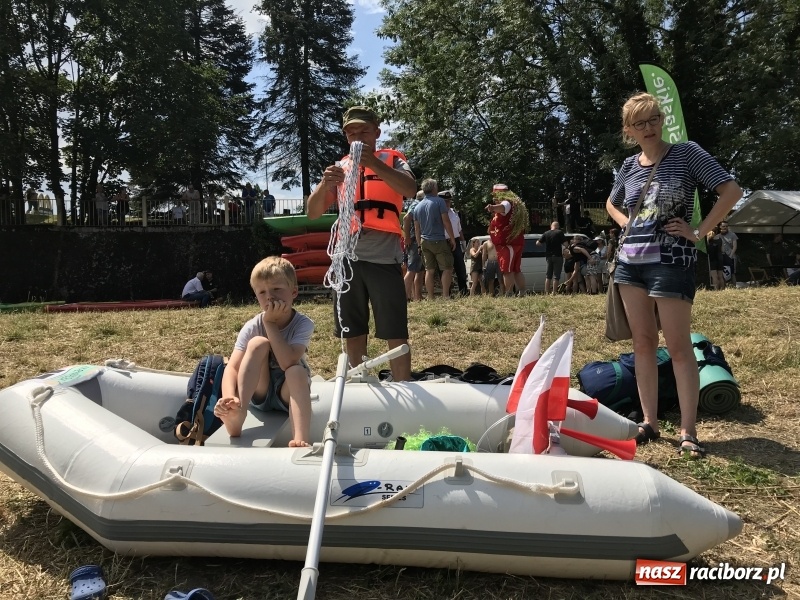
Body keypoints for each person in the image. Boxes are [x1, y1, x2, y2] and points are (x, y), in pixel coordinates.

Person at [605, 91, 742, 459]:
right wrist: (625, 223)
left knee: (679, 347)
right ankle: (649, 422)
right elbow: (611, 202)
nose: (648, 127)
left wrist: (699, 232)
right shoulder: (629, 165)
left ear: (662, 120)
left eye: (653, 119)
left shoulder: (686, 153)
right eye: (639, 123)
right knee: (643, 343)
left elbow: (731, 191)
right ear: (629, 130)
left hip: (671, 261)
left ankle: (688, 430)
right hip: (630, 264)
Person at [307, 105, 416, 381]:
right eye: (351, 133)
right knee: (352, 330)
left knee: (394, 329)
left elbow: (410, 189)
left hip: (384, 257)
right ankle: (357, 382)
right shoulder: (341, 168)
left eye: (364, 131)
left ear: (377, 132)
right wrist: (324, 185)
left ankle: (403, 382)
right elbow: (313, 212)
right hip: (346, 259)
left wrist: (375, 165)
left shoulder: (392, 160)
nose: (357, 138)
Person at [212, 257, 314, 446]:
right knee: (258, 343)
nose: (270, 297)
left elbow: (287, 362)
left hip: (287, 395)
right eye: (262, 292)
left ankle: (300, 440)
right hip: (259, 391)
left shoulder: (303, 324)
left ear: (294, 292)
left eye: (277, 289)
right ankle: (238, 413)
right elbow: (232, 367)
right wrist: (229, 397)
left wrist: (270, 323)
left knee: (296, 371)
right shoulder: (252, 326)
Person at [415, 179, 456, 300]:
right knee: (447, 268)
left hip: (424, 241)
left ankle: (431, 297)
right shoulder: (439, 202)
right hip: (438, 240)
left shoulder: (418, 206)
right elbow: (446, 221)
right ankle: (445, 295)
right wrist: (452, 238)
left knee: (429, 270)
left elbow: (417, 229)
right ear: (433, 188)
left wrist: (419, 244)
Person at [485, 183, 528, 296]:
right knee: (516, 269)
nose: (494, 198)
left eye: (495, 195)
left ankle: (509, 293)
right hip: (514, 242)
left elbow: (503, 207)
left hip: (508, 244)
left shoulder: (507, 203)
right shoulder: (515, 205)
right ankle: (522, 292)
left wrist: (492, 207)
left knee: (507, 270)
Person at [440, 189, 468, 296]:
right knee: (446, 268)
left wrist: (463, 242)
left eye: (449, 201)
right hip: (444, 241)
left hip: (455, 240)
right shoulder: (438, 213)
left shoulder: (454, 212)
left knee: (460, 267)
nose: (448, 203)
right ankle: (447, 292)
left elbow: (459, 229)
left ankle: (463, 291)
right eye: (445, 201)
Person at [403, 190, 425, 301]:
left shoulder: (416, 204)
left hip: (417, 240)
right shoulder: (416, 204)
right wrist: (407, 237)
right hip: (414, 240)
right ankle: (404, 297)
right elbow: (406, 218)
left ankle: (417, 297)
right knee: (412, 269)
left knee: (419, 270)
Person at [537, 220, 566, 295]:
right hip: (557, 256)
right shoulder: (559, 232)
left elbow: (538, 243)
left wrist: (545, 244)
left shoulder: (546, 233)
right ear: (558, 226)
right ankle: (554, 292)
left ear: (551, 226)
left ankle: (547, 292)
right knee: (556, 275)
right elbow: (565, 244)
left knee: (548, 275)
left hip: (549, 256)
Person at [717, 221, 738, 286]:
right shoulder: (717, 236)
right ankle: (724, 287)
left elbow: (735, 246)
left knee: (732, 273)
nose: (725, 227)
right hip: (722, 257)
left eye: (726, 226)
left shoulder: (732, 235)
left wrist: (731, 256)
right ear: (720, 227)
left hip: (731, 256)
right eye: (723, 226)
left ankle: (734, 287)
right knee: (722, 273)